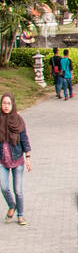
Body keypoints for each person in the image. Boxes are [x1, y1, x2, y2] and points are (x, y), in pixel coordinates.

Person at [0, 93, 32, 225]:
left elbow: (24, 139)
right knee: (4, 187)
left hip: (17, 159)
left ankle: (20, 214)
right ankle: (12, 206)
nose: (6, 106)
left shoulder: (18, 120)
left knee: (18, 190)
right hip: (2, 160)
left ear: (12, 105)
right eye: (3, 103)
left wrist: (28, 157)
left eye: (8, 103)